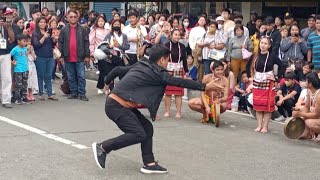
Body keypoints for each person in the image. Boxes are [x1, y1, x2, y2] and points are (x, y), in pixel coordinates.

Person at [91, 44, 224, 173]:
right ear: (162, 59)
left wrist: (107, 80)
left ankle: (149, 163)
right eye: (167, 60)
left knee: (147, 128)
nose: (167, 63)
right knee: (138, 134)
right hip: (117, 106)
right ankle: (103, 147)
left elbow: (118, 70)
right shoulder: (159, 73)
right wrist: (205, 86)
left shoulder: (141, 63)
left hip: (118, 104)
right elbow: (179, 81)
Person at [246, 36, 284, 133]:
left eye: (265, 44)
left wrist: (276, 78)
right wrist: (249, 77)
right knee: (258, 104)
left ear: (269, 45)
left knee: (267, 106)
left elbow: (283, 66)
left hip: (268, 82)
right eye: (261, 43)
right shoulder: (255, 55)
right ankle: (259, 125)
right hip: (257, 81)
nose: (263, 45)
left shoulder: (272, 56)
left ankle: (265, 127)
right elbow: (247, 66)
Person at [58, 10, 90, 101]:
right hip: (68, 57)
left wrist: (87, 55)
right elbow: (60, 43)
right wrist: (61, 56)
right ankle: (74, 92)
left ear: (77, 18)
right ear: (67, 18)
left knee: (81, 76)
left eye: (74, 17)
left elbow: (86, 43)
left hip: (80, 57)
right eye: (71, 17)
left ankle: (82, 93)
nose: (72, 18)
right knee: (71, 76)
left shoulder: (82, 29)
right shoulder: (64, 29)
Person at [31, 16, 58, 101]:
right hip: (40, 57)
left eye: (44, 22)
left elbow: (52, 45)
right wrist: (44, 37)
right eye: (41, 22)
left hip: (50, 56)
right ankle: (41, 93)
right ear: (38, 23)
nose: (43, 24)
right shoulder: (35, 33)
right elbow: (36, 45)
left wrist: (53, 39)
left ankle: (49, 94)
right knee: (40, 75)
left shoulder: (48, 32)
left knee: (48, 75)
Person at [163, 29, 188, 119]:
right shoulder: (166, 45)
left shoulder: (182, 46)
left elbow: (184, 59)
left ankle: (178, 112)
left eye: (178, 35)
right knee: (168, 92)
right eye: (175, 34)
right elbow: (163, 58)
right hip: (168, 69)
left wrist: (186, 71)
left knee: (178, 92)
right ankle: (167, 111)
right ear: (171, 35)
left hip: (178, 69)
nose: (177, 36)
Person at [102, 19, 130, 91]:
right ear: (112, 26)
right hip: (110, 58)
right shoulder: (109, 35)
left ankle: (121, 90)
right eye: (115, 24)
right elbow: (103, 45)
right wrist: (109, 47)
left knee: (122, 74)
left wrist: (119, 46)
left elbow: (127, 46)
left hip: (120, 57)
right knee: (111, 74)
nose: (116, 26)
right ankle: (111, 90)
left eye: (118, 24)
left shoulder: (124, 36)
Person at [292, 72, 320, 141]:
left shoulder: (319, 95)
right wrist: (300, 116)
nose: (304, 82)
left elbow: (316, 115)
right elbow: (306, 107)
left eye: (306, 81)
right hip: (316, 116)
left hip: (318, 116)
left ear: (310, 84)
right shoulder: (309, 91)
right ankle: (307, 133)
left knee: (309, 122)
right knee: (299, 111)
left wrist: (301, 114)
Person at [89, 15, 110, 94]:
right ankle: (100, 87)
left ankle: (108, 87)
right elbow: (91, 42)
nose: (101, 22)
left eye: (102, 21)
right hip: (99, 53)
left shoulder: (107, 31)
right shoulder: (94, 30)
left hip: (107, 53)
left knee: (109, 71)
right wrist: (92, 53)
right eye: (99, 21)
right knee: (103, 71)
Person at [0, 4, 15, 108]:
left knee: (6, 77)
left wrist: (8, 27)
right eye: (1, 10)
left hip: (5, 53)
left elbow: (12, 38)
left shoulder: (6, 23)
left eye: (3, 10)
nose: (2, 12)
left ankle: (6, 99)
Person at [10, 34, 29, 104]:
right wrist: (12, 62)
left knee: (25, 84)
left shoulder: (25, 48)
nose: (25, 43)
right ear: (18, 41)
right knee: (18, 84)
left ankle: (24, 97)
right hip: (18, 69)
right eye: (24, 41)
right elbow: (9, 55)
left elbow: (26, 56)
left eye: (26, 41)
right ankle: (17, 98)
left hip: (25, 69)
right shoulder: (15, 49)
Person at [26, 35, 38, 101]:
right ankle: (27, 94)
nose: (29, 43)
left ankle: (31, 94)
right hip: (27, 65)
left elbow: (34, 58)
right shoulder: (23, 49)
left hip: (32, 65)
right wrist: (28, 51)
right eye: (27, 41)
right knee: (28, 80)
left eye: (30, 41)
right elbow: (24, 57)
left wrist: (31, 51)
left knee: (32, 79)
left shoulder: (32, 48)